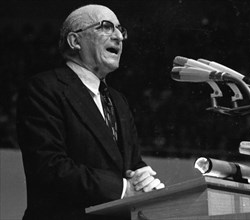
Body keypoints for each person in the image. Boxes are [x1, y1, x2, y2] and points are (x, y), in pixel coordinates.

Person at [17, 4, 164, 220]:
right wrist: (123, 189)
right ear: (75, 41)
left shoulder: (119, 100)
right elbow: (49, 166)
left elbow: (129, 163)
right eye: (106, 27)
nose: (119, 37)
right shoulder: (44, 88)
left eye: (120, 30)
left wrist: (143, 177)